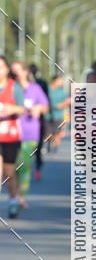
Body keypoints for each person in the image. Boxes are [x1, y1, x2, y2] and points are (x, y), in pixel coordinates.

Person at [11, 61, 49, 208]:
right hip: (12, 133)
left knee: (23, 164)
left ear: (25, 72)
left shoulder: (35, 88)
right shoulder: (10, 88)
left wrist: (38, 107)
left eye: (18, 70)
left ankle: (20, 196)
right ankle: (16, 193)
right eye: (13, 71)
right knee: (12, 167)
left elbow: (46, 107)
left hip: (30, 133)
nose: (15, 73)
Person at [0, 56, 25, 218]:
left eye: (1, 67)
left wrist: (11, 108)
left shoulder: (14, 87)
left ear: (7, 69)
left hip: (10, 136)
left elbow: (23, 109)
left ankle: (13, 199)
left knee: (9, 172)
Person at [28, 64, 49, 179]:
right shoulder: (20, 86)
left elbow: (47, 102)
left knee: (38, 147)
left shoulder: (41, 84)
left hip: (38, 121)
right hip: (23, 123)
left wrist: (45, 111)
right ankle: (25, 168)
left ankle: (38, 167)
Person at [46, 75, 69, 153]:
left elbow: (66, 102)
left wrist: (62, 105)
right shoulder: (48, 90)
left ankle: (55, 148)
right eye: (59, 80)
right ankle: (49, 143)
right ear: (54, 81)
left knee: (56, 133)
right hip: (47, 115)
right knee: (47, 133)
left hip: (58, 116)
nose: (61, 82)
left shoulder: (62, 92)